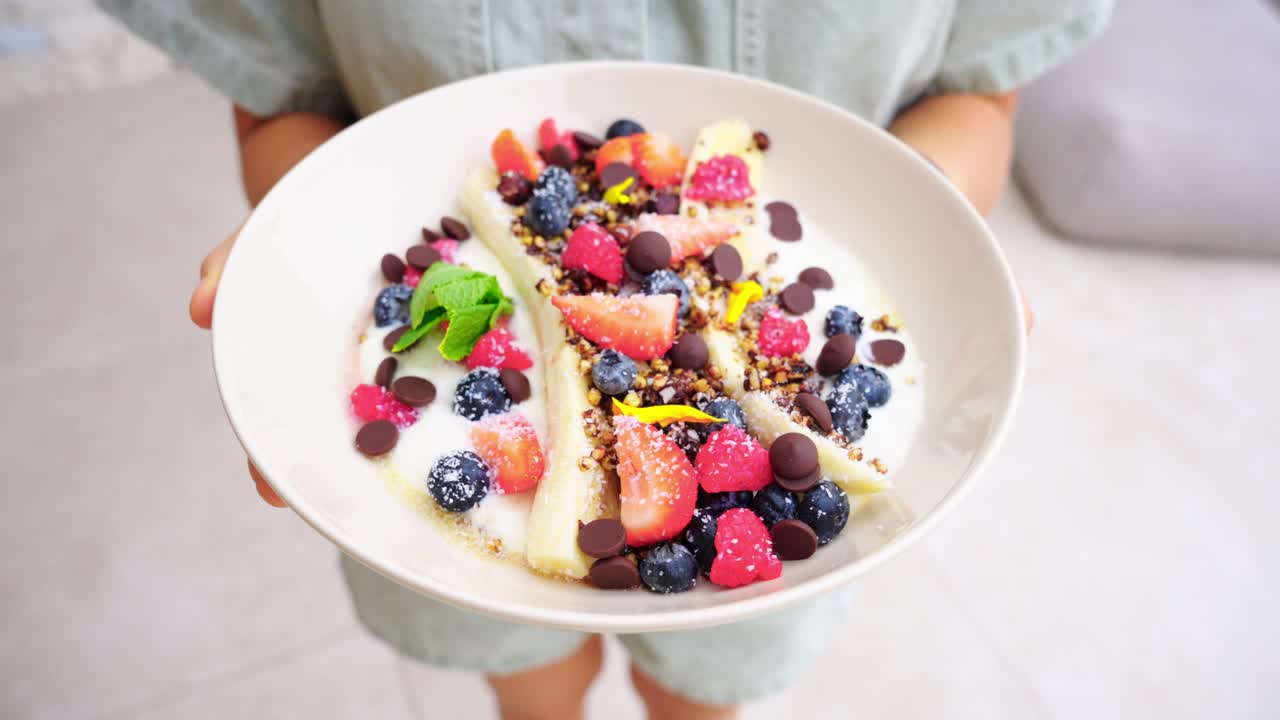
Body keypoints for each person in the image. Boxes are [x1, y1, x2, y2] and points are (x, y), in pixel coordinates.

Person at [102, 1, 1103, 717]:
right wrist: (298, 245)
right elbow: (283, 100)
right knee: (525, 675)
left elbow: (980, 93)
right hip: (451, 510)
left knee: (706, 683)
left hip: (751, 539)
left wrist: (925, 213)